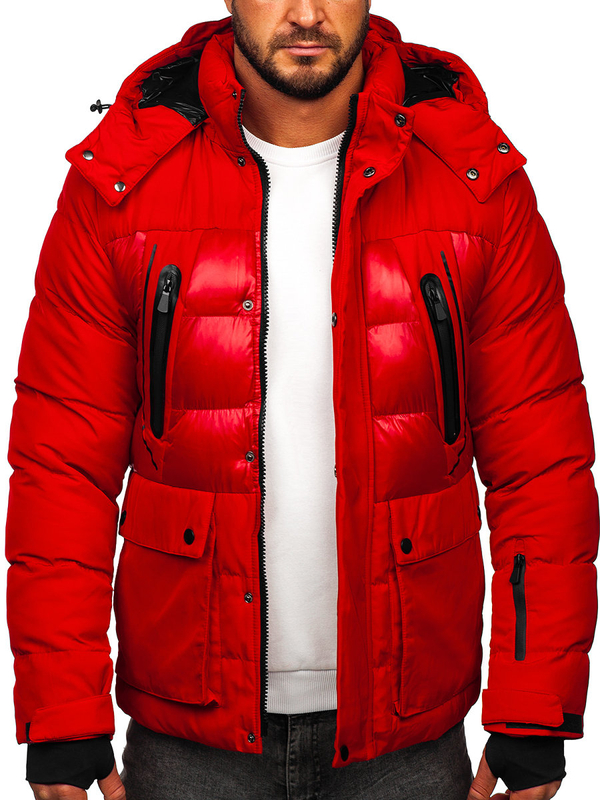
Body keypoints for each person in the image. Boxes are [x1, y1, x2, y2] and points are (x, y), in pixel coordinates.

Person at [5, 1, 599, 799]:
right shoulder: (121, 187)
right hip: (189, 735)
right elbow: (62, 468)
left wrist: (534, 707)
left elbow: (542, 465)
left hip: (407, 733)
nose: (308, 13)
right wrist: (63, 715)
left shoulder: (475, 185)